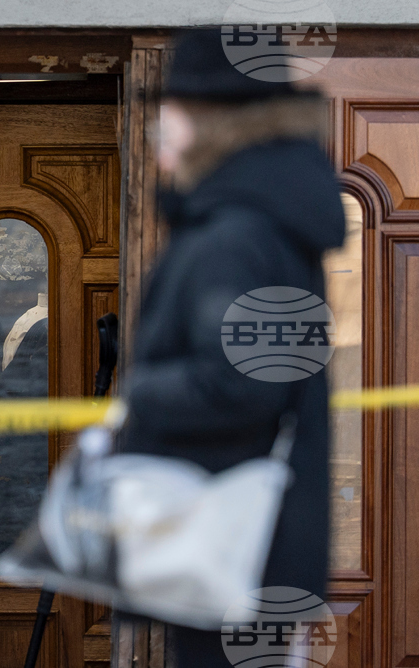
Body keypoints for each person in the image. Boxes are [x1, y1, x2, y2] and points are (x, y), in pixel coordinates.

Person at [117, 29, 346, 665]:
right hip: (243, 550)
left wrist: (138, 392)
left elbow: (241, 383)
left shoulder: (238, 236)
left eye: (171, 110)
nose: (157, 129)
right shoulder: (259, 222)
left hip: (232, 553)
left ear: (212, 118)